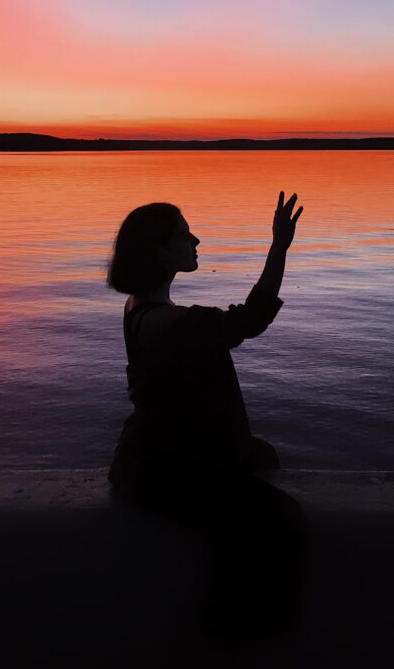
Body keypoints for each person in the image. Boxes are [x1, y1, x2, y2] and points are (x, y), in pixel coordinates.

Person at [106, 190, 310, 642]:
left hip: (154, 453)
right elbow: (251, 320)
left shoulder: (139, 306)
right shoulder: (168, 323)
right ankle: (234, 636)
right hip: (169, 468)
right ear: (162, 252)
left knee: (263, 456)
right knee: (283, 521)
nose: (196, 241)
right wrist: (279, 247)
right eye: (185, 235)